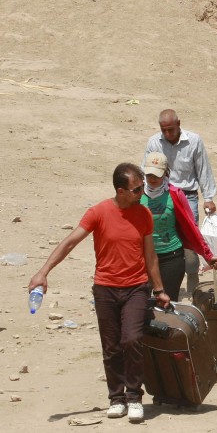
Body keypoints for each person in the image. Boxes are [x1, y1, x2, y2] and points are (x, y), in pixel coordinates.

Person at [27, 164, 171, 423]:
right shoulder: (99, 212)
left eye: (142, 187)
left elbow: (150, 256)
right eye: (137, 189)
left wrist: (159, 289)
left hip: (136, 287)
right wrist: (43, 272)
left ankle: (134, 397)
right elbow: (70, 242)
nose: (142, 192)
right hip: (105, 288)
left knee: (132, 339)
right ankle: (116, 399)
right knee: (112, 346)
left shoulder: (144, 214)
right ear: (120, 190)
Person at [144, 109, 217, 295]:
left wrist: (208, 198)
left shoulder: (194, 141)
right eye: (164, 130)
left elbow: (203, 169)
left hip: (187, 195)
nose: (167, 134)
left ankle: (192, 274)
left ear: (179, 124)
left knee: (189, 234)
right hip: (160, 193)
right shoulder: (154, 142)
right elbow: (145, 170)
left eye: (171, 129)